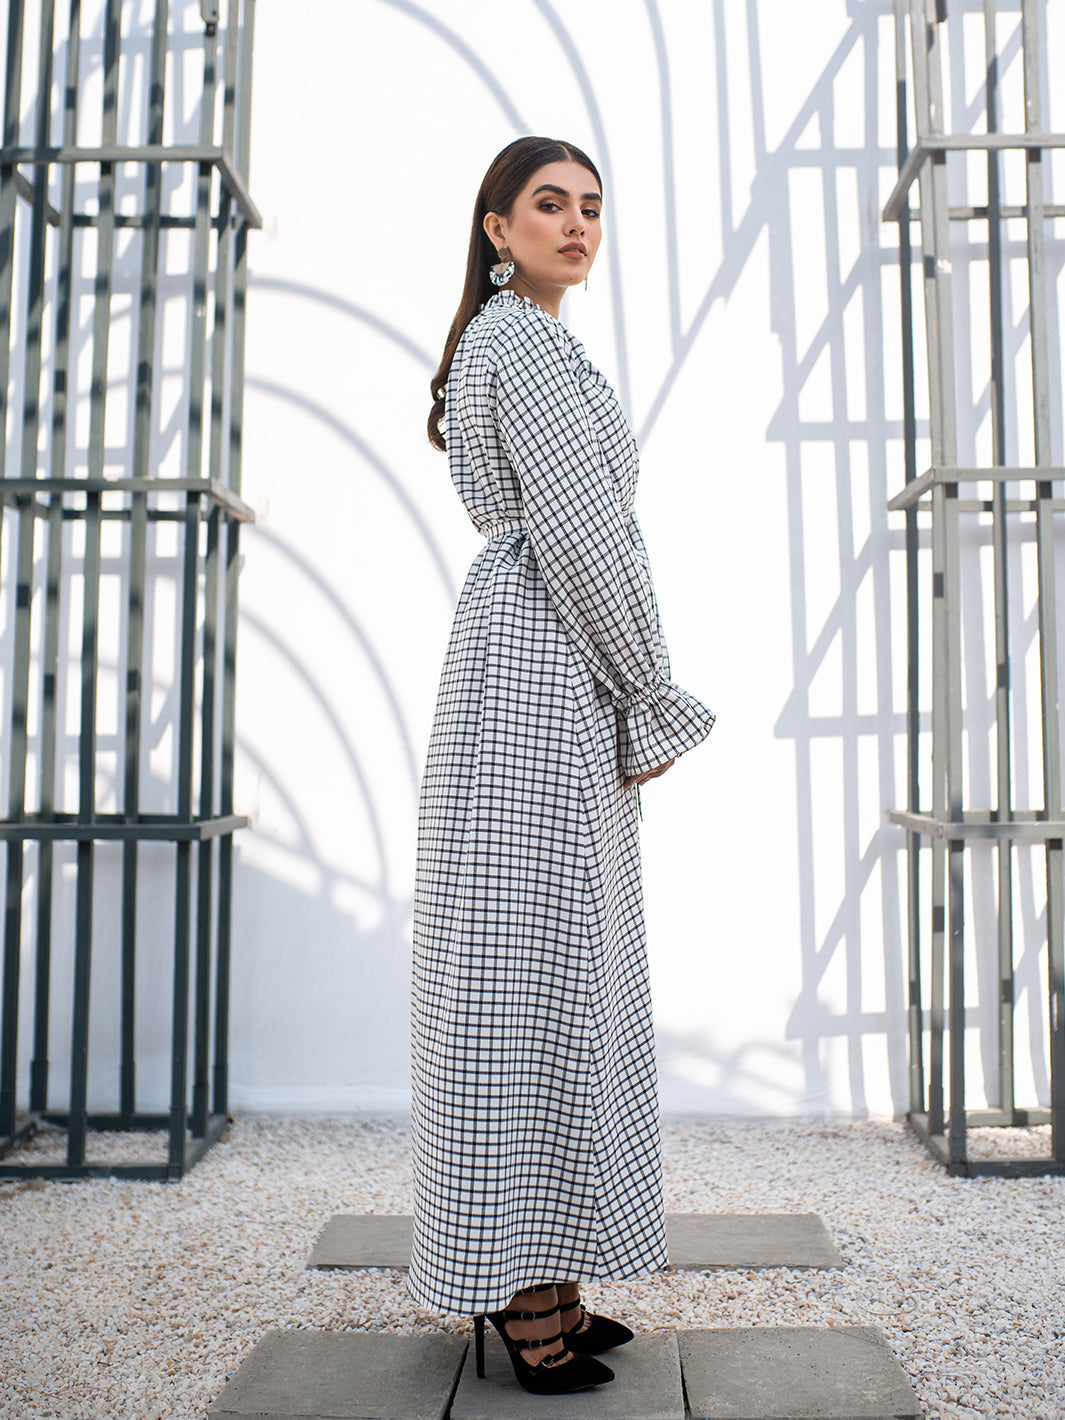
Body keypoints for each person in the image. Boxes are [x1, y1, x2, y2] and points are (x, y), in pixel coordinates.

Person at [407, 135, 715, 1395]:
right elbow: (584, 534)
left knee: (541, 970)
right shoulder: (523, 347)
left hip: (534, 660)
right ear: (497, 228)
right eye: (550, 204)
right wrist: (646, 690)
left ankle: (546, 1269)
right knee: (528, 974)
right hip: (545, 663)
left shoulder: (528, 340)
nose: (578, 223)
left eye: (592, 205)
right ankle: (522, 1289)